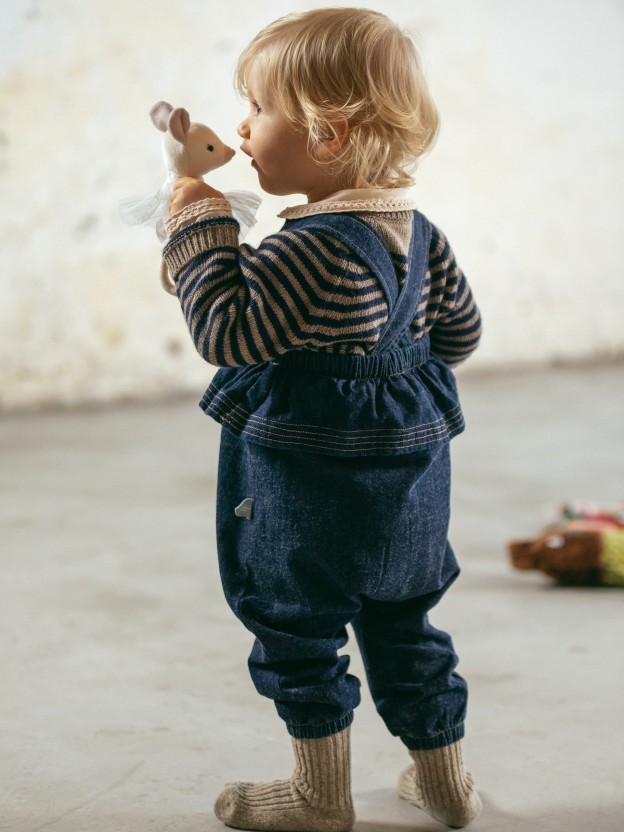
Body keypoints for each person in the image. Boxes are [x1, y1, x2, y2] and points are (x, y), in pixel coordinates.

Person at [164, 7, 482, 830]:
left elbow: (229, 333)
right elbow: (460, 333)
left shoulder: (309, 249)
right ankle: (446, 783)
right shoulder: (419, 232)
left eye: (260, 108)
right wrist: (390, 386)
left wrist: (198, 226)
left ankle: (320, 795)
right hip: (410, 477)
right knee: (404, 617)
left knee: (297, 623)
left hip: (307, 471)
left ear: (328, 134)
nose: (241, 126)